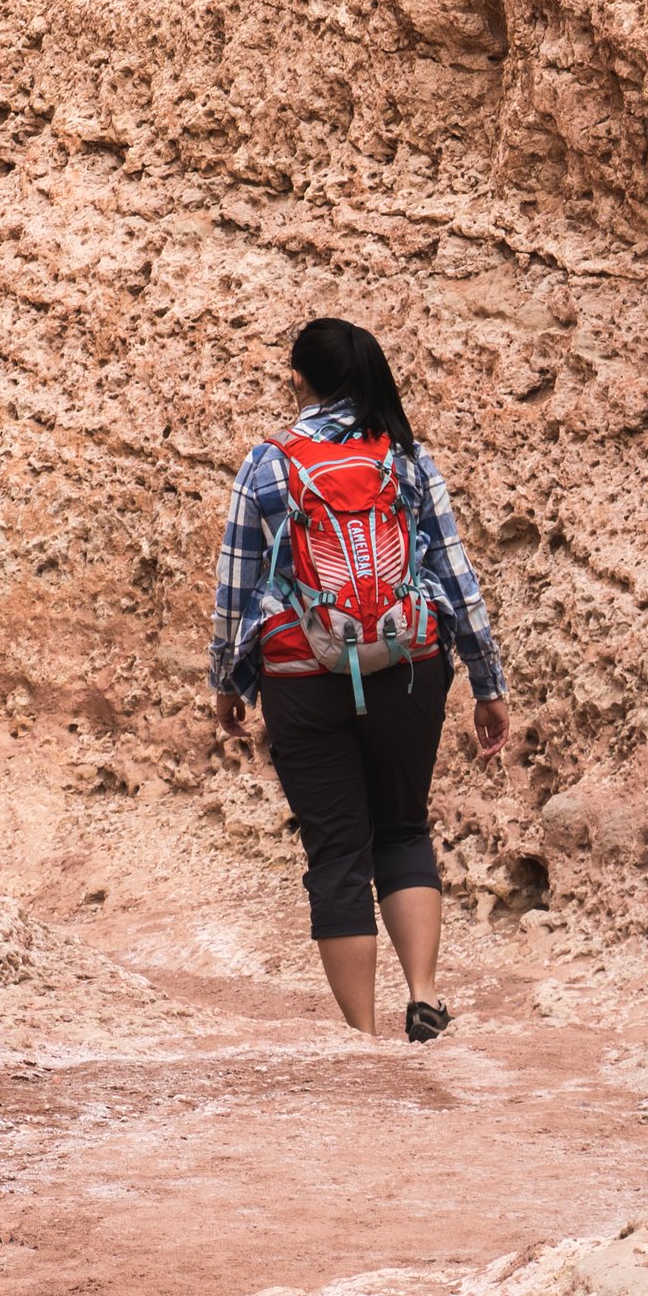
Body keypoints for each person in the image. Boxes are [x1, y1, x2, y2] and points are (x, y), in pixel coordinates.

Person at [208, 316, 510, 1043]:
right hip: (409, 666)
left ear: (299, 377)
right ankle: (425, 996)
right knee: (402, 827)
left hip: (301, 672)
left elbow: (235, 585)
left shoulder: (268, 463)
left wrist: (228, 680)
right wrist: (487, 681)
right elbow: (455, 573)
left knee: (338, 851)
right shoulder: (406, 456)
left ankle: (364, 1039)